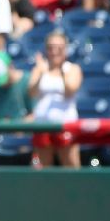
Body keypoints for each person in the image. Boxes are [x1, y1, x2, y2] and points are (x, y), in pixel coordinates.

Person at [28, 31, 82, 169]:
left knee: (71, 166)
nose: (55, 52)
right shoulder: (39, 69)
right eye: (51, 47)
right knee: (42, 168)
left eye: (59, 48)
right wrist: (40, 73)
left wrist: (61, 71)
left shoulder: (72, 69)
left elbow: (70, 90)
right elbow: (31, 93)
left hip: (66, 124)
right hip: (42, 125)